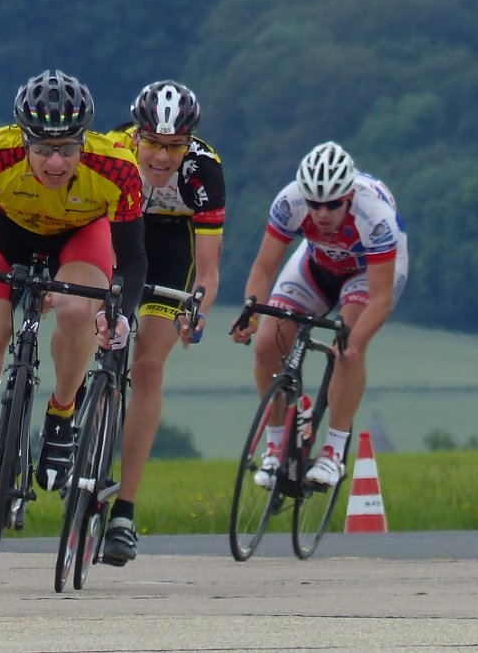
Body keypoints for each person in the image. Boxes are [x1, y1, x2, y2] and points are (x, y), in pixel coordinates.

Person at [0, 69, 147, 565]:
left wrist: (122, 313)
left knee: (75, 307)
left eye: (67, 148)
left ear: (84, 140)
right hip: (4, 232)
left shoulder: (118, 167)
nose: (54, 160)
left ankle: (62, 413)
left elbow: (132, 260)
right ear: (22, 139)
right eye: (42, 147)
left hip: (80, 236)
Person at [231, 141, 407, 488]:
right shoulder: (289, 201)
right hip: (315, 264)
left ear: (349, 197)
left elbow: (381, 299)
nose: (322, 213)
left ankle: (333, 453)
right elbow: (265, 268)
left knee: (347, 350)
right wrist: (250, 316)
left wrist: (354, 343)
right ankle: (275, 446)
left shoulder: (376, 217)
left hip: (365, 275)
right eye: (315, 204)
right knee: (267, 345)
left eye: (332, 204)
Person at [101, 80, 225, 566]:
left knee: (148, 366)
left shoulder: (203, 170)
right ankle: (74, 419)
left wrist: (198, 311)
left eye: (174, 146)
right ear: (135, 135)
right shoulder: (111, 151)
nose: (162, 157)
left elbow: (208, 270)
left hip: (172, 250)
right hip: (118, 236)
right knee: (104, 330)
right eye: (152, 142)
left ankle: (124, 512)